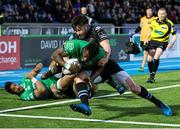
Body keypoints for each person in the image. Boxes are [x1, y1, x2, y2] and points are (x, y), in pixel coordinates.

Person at [52, 39, 173, 116]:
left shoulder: (100, 54)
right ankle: (85, 106)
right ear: (84, 49)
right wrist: (66, 64)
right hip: (90, 69)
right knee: (79, 78)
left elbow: (102, 67)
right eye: (84, 56)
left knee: (134, 88)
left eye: (87, 58)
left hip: (109, 67)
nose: (84, 59)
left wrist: (93, 78)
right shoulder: (74, 45)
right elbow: (55, 54)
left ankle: (159, 103)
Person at [144, 8, 177, 83]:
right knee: (149, 59)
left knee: (156, 56)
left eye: (163, 14)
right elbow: (150, 30)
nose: (161, 15)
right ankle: (151, 75)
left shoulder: (169, 24)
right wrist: (146, 39)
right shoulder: (154, 21)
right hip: (152, 41)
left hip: (162, 42)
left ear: (166, 14)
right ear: (158, 14)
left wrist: (172, 43)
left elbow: (174, 35)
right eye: (159, 14)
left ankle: (152, 76)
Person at [133, 6, 156, 72]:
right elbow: (140, 27)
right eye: (147, 11)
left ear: (152, 12)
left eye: (150, 11)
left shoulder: (155, 19)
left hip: (151, 39)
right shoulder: (142, 19)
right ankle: (145, 67)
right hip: (142, 39)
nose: (148, 12)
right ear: (146, 12)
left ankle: (145, 65)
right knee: (146, 53)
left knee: (148, 53)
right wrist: (134, 32)